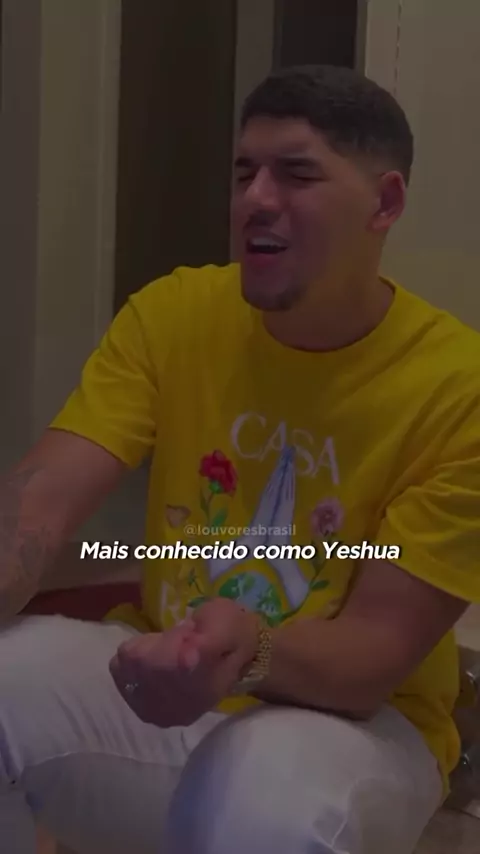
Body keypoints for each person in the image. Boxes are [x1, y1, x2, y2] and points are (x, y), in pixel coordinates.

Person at [0, 63, 479, 854]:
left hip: (355, 725)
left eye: (297, 174)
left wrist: (249, 645)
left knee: (263, 798)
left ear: (385, 203)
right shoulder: (174, 314)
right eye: (244, 171)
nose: (256, 198)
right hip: (160, 683)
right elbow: (40, 504)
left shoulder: (459, 390)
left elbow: (372, 655)